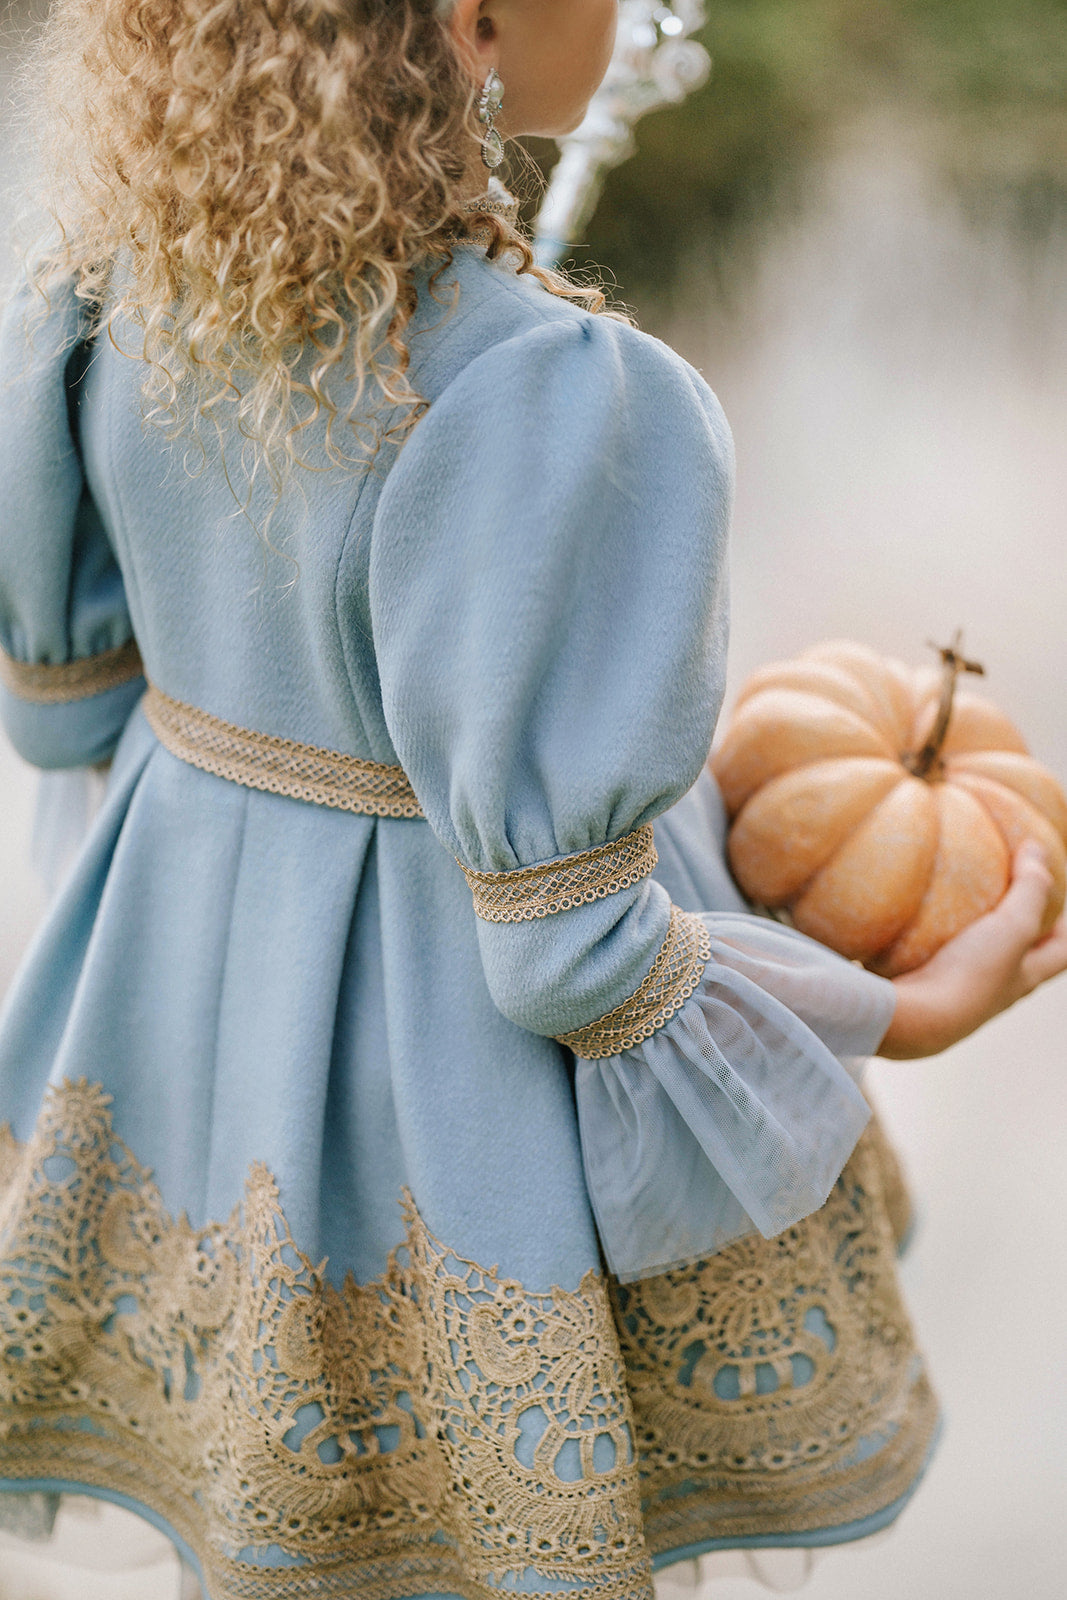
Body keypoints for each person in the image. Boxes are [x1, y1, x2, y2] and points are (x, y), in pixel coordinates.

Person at [0, 2, 1064, 1597]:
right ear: (473, 19)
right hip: (442, 1103)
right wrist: (885, 1016)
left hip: (192, 1027)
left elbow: (69, 709)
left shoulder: (114, 286)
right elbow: (566, 955)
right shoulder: (554, 394)